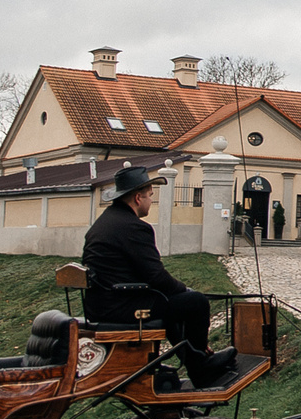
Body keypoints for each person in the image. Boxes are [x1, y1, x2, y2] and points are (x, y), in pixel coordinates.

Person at [82, 165, 235, 388]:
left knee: (170, 304)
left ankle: (193, 360)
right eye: (150, 196)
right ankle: (200, 365)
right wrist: (185, 289)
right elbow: (156, 276)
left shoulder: (104, 222)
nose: (151, 202)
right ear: (137, 198)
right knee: (196, 302)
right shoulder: (134, 227)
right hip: (121, 306)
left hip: (103, 303)